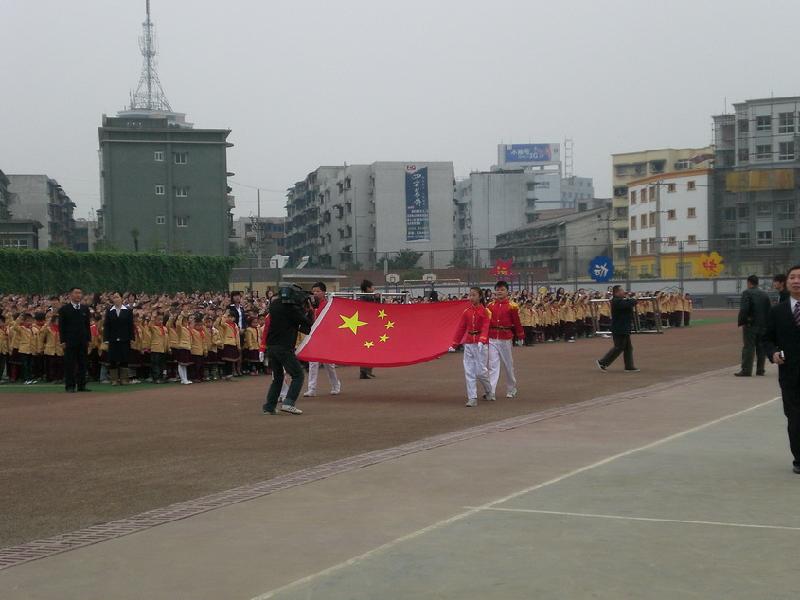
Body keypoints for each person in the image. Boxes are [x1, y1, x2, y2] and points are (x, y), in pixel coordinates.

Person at [763, 265, 800, 474]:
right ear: (786, 283)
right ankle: (799, 459)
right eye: (792, 277)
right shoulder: (777, 311)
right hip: (790, 374)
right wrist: (773, 353)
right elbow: (767, 339)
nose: (796, 281)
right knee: (795, 418)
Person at [261, 284, 314, 415]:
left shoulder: (275, 305)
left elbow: (297, 325)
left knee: (278, 378)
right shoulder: (292, 309)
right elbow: (307, 323)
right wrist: (310, 311)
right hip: (284, 347)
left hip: (271, 347)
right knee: (298, 375)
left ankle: (269, 406)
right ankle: (289, 403)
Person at [452, 287, 493, 407]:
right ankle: (472, 397)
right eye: (470, 295)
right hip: (469, 343)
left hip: (480, 344)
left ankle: (489, 390)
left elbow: (486, 326)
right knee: (469, 371)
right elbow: (461, 328)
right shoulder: (466, 312)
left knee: (480, 372)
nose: (471, 297)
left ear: (480, 296)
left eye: (474, 295)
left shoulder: (485, 311)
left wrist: (482, 340)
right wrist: (455, 344)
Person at [487, 281, 524, 398]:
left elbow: (517, 322)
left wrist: (520, 335)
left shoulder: (512, 306)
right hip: (492, 337)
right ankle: (491, 391)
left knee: (508, 365)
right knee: (493, 365)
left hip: (505, 338)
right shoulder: (490, 306)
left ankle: (511, 388)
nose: (499, 292)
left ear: (507, 292)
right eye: (497, 289)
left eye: (502, 289)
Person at [304, 282, 341, 397]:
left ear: (324, 292)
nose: (315, 293)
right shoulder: (311, 305)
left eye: (318, 291)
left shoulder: (327, 304)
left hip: (326, 338)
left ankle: (336, 385)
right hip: (315, 337)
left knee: (328, 364)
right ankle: (312, 388)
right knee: (313, 363)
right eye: (314, 291)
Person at [596, 285, 639, 372]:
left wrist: (629, 298)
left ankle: (629, 366)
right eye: (622, 291)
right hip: (619, 327)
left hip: (624, 327)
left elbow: (628, 305)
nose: (623, 292)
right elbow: (629, 304)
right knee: (619, 347)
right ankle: (603, 362)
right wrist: (634, 299)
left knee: (628, 347)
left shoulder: (621, 300)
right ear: (617, 292)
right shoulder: (616, 301)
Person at [735, 275, 772, 377]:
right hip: (763, 325)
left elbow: (744, 309)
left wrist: (742, 321)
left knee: (749, 347)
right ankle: (760, 369)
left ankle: (746, 370)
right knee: (761, 347)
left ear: (749, 282)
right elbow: (769, 310)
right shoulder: (764, 294)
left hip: (750, 324)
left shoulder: (747, 293)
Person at [58, 287, 92, 392]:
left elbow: (87, 325)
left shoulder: (84, 309)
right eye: (76, 293)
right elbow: (61, 327)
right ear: (70, 295)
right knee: (70, 364)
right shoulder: (64, 309)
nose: (79, 295)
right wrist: (63, 341)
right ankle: (70, 386)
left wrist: (89, 339)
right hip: (70, 341)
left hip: (83, 340)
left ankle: (82, 385)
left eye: (80, 293)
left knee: (83, 363)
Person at [103, 292, 134, 386]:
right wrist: (106, 339)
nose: (115, 299)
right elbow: (107, 326)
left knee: (124, 358)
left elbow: (130, 326)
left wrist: (132, 338)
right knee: (113, 359)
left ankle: (124, 379)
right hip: (112, 339)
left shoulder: (128, 311)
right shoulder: (109, 311)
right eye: (114, 297)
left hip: (125, 338)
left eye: (117, 297)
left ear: (121, 298)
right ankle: (114, 380)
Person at [359, 279, 378, 380]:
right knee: (370, 349)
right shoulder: (368, 298)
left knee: (367, 349)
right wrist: (377, 299)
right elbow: (375, 308)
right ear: (368, 288)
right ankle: (365, 371)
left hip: (366, 325)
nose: (374, 288)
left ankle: (366, 371)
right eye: (372, 287)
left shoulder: (363, 298)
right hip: (369, 326)